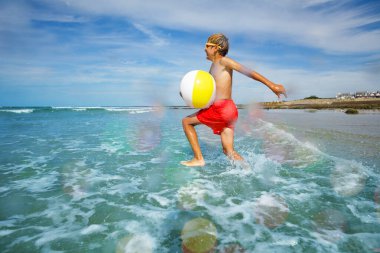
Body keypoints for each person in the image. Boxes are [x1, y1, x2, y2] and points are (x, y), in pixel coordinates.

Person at [181, 33, 286, 167]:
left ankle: (198, 159)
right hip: (230, 110)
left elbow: (248, 71)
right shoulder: (212, 68)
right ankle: (248, 170)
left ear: (216, 48)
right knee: (228, 151)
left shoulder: (224, 61)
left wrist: (272, 85)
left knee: (186, 122)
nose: (204, 49)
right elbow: (205, 92)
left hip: (221, 108)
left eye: (207, 46)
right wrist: (185, 93)